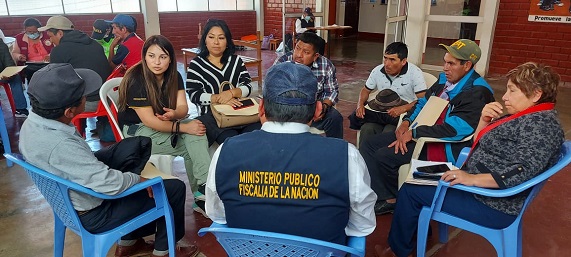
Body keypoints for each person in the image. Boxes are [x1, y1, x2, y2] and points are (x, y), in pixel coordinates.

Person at [381, 62, 565, 257]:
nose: (504, 96)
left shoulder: (542, 127)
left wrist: (471, 179)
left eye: (512, 91)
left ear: (536, 94)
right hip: (479, 185)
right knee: (416, 175)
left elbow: (522, 170)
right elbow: (480, 144)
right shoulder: (532, 117)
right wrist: (484, 121)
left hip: (491, 203)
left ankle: (399, 251)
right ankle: (413, 236)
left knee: (411, 190)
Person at [19, 63, 200, 257]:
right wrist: (138, 180)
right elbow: (108, 184)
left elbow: (81, 165)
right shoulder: (60, 144)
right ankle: (164, 250)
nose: (86, 96)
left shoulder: (33, 124)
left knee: (132, 149)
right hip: (95, 212)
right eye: (83, 95)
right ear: (69, 112)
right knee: (172, 188)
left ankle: (129, 243)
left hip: (72, 193)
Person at [205, 62, 377, 245]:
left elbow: (219, 216)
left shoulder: (225, 151)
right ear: (318, 110)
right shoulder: (346, 156)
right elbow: (361, 226)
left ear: (261, 108)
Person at [360, 39, 495, 215]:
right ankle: (380, 193)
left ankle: (392, 199)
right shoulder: (444, 79)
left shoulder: (477, 92)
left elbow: (456, 130)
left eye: (451, 64)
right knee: (369, 143)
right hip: (420, 132)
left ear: (467, 65)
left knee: (384, 155)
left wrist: (414, 133)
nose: (445, 68)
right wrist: (407, 122)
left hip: (443, 144)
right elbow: (423, 102)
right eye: (445, 61)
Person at [117, 35, 211, 216]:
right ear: (144, 56)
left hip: (163, 123)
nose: (157, 62)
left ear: (170, 59)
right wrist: (183, 127)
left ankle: (203, 191)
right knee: (192, 138)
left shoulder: (174, 75)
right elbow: (149, 121)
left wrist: (175, 114)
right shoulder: (137, 79)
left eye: (163, 57)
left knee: (195, 131)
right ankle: (203, 192)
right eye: (151, 56)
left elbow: (183, 107)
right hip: (137, 132)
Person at [186, 18, 261, 146]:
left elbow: (248, 86)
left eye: (221, 38)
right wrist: (219, 98)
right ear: (205, 39)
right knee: (231, 142)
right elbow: (194, 95)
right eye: (211, 37)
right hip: (213, 117)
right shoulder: (196, 64)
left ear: (227, 41)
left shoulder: (236, 61)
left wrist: (231, 93)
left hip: (240, 112)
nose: (216, 42)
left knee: (256, 137)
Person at [348, 42, 427, 148]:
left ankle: (380, 160)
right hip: (379, 111)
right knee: (367, 129)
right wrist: (360, 104)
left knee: (389, 131)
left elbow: (423, 100)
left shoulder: (415, 73)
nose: (387, 64)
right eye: (385, 58)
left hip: (401, 115)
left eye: (392, 60)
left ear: (403, 61)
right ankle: (362, 161)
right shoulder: (377, 71)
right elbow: (365, 90)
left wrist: (403, 108)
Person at [274, 32, 343, 138]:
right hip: (287, 110)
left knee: (335, 117)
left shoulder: (326, 66)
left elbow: (331, 91)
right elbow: (271, 88)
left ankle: (336, 150)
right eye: (297, 48)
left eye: (306, 52)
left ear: (315, 56)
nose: (298, 55)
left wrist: (323, 107)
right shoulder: (282, 62)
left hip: (313, 111)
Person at [40, 15, 111, 112]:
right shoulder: (94, 43)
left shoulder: (58, 51)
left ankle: (75, 126)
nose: (51, 40)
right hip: (108, 98)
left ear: (60, 33)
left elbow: (57, 83)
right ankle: (101, 125)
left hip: (88, 103)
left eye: (51, 36)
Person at [11, 17, 53, 85]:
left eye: (35, 31)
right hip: (30, 66)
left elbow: (58, 48)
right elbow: (14, 53)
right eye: (29, 32)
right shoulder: (20, 38)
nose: (32, 34)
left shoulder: (48, 35)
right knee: (32, 78)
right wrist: (19, 56)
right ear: (25, 30)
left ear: (39, 29)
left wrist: (50, 55)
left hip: (48, 64)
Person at [1, 40, 28, 118]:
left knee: (15, 77)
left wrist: (9, 72)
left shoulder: (1, 45)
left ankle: (21, 109)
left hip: (1, 74)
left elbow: (9, 62)